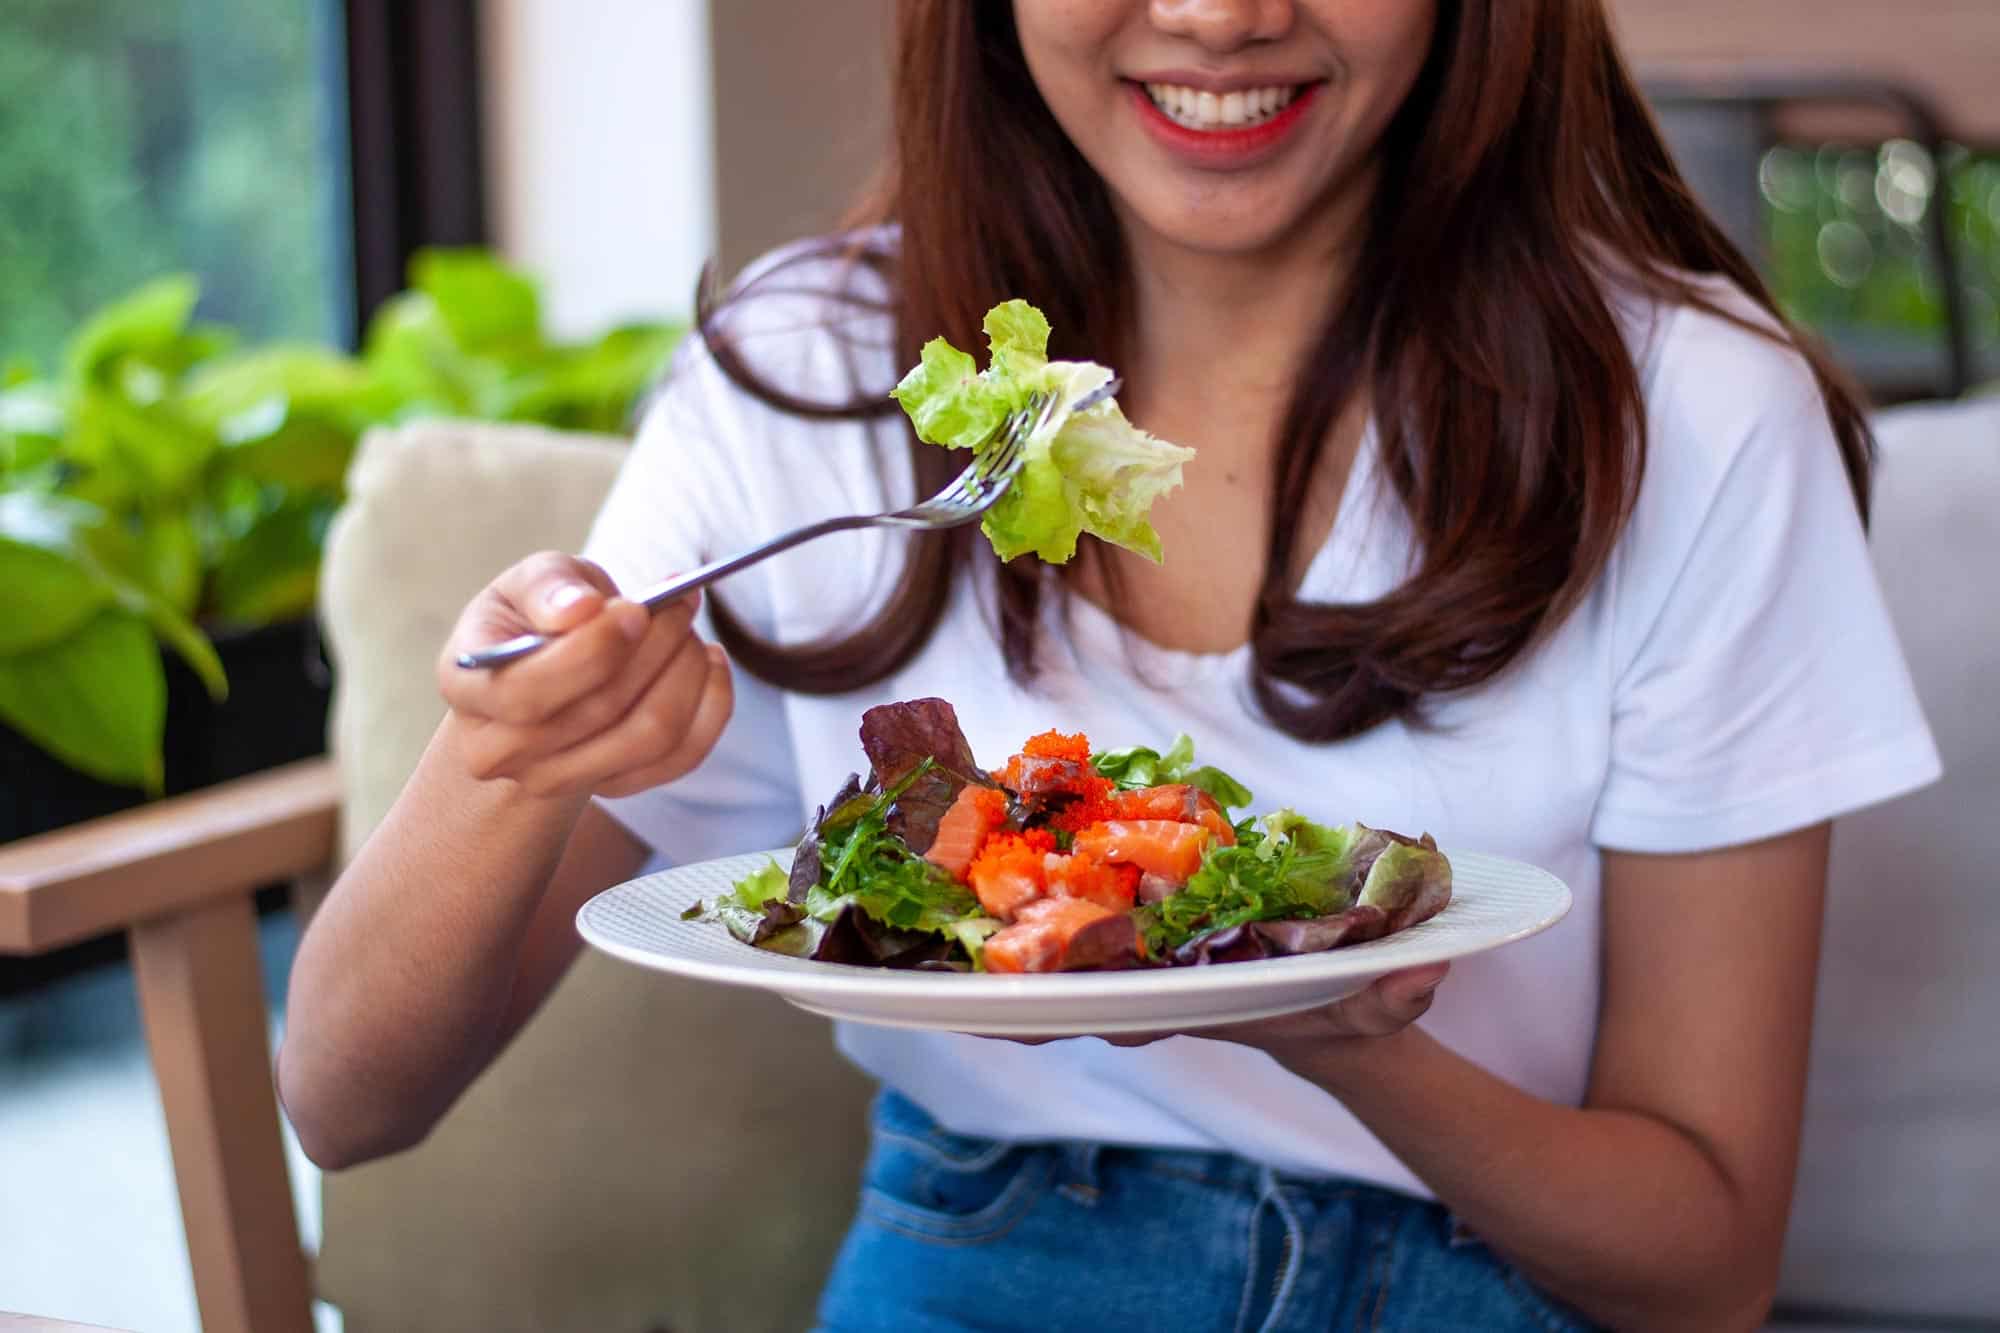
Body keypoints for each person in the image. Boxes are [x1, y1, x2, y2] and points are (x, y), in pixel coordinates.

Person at [277, 3, 1942, 1329]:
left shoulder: (1693, 416)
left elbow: (1703, 1266)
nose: (1221, 17)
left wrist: (1339, 1032)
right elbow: (344, 1096)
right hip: (982, 1263)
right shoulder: (805, 386)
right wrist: (511, 741)